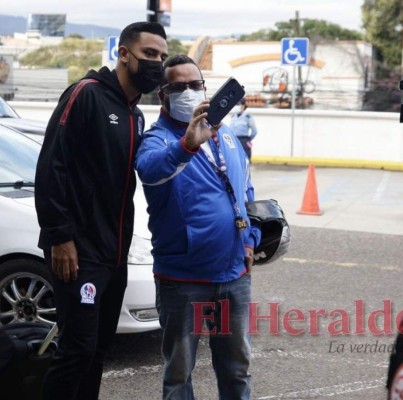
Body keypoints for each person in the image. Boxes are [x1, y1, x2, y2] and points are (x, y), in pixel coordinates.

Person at [34, 22, 168, 400]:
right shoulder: (86, 94)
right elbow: (51, 167)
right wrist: (60, 237)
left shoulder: (135, 115)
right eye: (149, 55)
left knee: (96, 353)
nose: (156, 63)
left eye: (161, 56)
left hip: (114, 255)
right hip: (78, 253)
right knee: (76, 351)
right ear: (123, 54)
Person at [135, 54, 261, 400]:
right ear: (163, 95)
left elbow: (245, 191)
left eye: (195, 85)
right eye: (179, 87)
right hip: (183, 281)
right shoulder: (158, 140)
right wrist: (187, 144)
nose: (189, 92)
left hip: (233, 277)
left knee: (237, 371)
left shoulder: (228, 137)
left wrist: (249, 240)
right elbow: (150, 170)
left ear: (206, 88)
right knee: (179, 374)